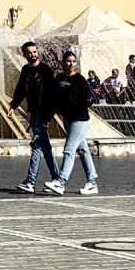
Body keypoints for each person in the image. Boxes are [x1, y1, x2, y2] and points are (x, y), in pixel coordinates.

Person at [9, 40, 60, 194]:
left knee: (36, 145)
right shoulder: (25, 70)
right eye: (29, 53)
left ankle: (31, 181)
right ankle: (58, 179)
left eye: (35, 52)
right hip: (34, 113)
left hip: (43, 113)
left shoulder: (45, 70)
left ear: (38, 52)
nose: (32, 55)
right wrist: (13, 106)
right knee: (45, 148)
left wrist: (48, 118)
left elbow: (52, 95)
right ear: (24, 54)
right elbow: (20, 90)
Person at [46, 52, 98, 195]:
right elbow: (55, 100)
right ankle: (92, 182)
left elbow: (89, 97)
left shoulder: (80, 80)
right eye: (68, 61)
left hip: (80, 120)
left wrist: (89, 101)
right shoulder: (60, 78)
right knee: (83, 150)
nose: (71, 64)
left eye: (74, 61)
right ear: (63, 62)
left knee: (69, 150)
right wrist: (48, 117)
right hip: (68, 119)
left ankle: (61, 182)